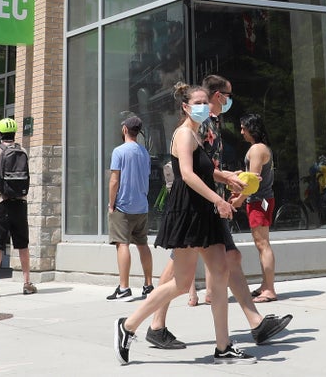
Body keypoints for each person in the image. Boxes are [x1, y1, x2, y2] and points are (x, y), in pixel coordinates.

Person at [145, 75, 291, 350]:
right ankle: (151, 323)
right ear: (216, 95)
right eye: (226, 94)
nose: (229, 100)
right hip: (199, 204)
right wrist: (219, 193)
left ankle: (255, 324)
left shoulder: (209, 123)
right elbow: (192, 170)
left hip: (211, 201)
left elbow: (210, 168)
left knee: (228, 258)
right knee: (180, 268)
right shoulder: (197, 126)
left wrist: (228, 179)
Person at [114, 82, 252, 365]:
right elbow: (187, 175)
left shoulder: (197, 134)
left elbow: (205, 171)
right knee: (181, 283)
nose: (204, 106)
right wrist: (220, 200)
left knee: (221, 270)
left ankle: (223, 345)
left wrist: (228, 177)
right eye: (198, 102)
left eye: (205, 101)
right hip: (189, 211)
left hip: (202, 211)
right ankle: (128, 325)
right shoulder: (184, 134)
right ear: (186, 106)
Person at [0, 118, 37, 297]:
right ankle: (27, 283)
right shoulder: (23, 151)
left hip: (0, 204)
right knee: (22, 244)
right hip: (20, 204)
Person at [106, 116, 154, 301]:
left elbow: (114, 180)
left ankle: (124, 287)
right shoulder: (144, 152)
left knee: (122, 244)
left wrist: (112, 205)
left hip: (123, 206)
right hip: (141, 206)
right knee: (142, 244)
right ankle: (148, 284)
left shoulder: (119, 151)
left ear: (125, 129)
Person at [231, 114, 277, 302]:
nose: (241, 132)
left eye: (243, 128)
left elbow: (253, 182)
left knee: (262, 244)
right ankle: (265, 285)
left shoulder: (257, 149)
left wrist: (240, 199)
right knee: (262, 244)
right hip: (261, 200)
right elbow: (251, 176)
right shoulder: (260, 148)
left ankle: (270, 290)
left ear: (252, 128)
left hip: (260, 201)